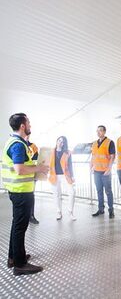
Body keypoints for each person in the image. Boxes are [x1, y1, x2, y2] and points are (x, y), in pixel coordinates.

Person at [1, 113, 49, 275]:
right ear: (22, 125)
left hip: (18, 191)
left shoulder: (15, 142)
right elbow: (19, 169)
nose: (30, 125)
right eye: (28, 122)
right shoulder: (18, 145)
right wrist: (39, 169)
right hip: (21, 192)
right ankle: (20, 265)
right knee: (20, 227)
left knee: (17, 225)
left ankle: (13, 258)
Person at [49, 136, 76, 221]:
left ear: (64, 144)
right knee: (56, 195)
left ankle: (70, 212)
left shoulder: (67, 152)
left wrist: (72, 176)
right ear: (56, 141)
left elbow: (70, 164)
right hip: (54, 176)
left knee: (72, 192)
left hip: (65, 176)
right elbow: (46, 162)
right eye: (59, 140)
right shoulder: (51, 151)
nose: (60, 142)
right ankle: (58, 212)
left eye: (63, 142)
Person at [91, 125, 115, 218]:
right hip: (96, 171)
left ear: (104, 132)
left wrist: (109, 169)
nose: (98, 132)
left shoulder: (110, 142)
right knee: (99, 191)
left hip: (105, 172)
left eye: (100, 131)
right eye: (97, 131)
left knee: (108, 191)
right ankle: (101, 209)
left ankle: (111, 211)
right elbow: (93, 156)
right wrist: (91, 167)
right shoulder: (94, 143)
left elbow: (112, 157)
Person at [25, 135, 40, 224]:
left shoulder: (33, 146)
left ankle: (31, 215)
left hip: (31, 175)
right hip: (22, 176)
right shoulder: (19, 145)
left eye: (28, 135)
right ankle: (24, 216)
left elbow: (36, 160)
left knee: (31, 195)